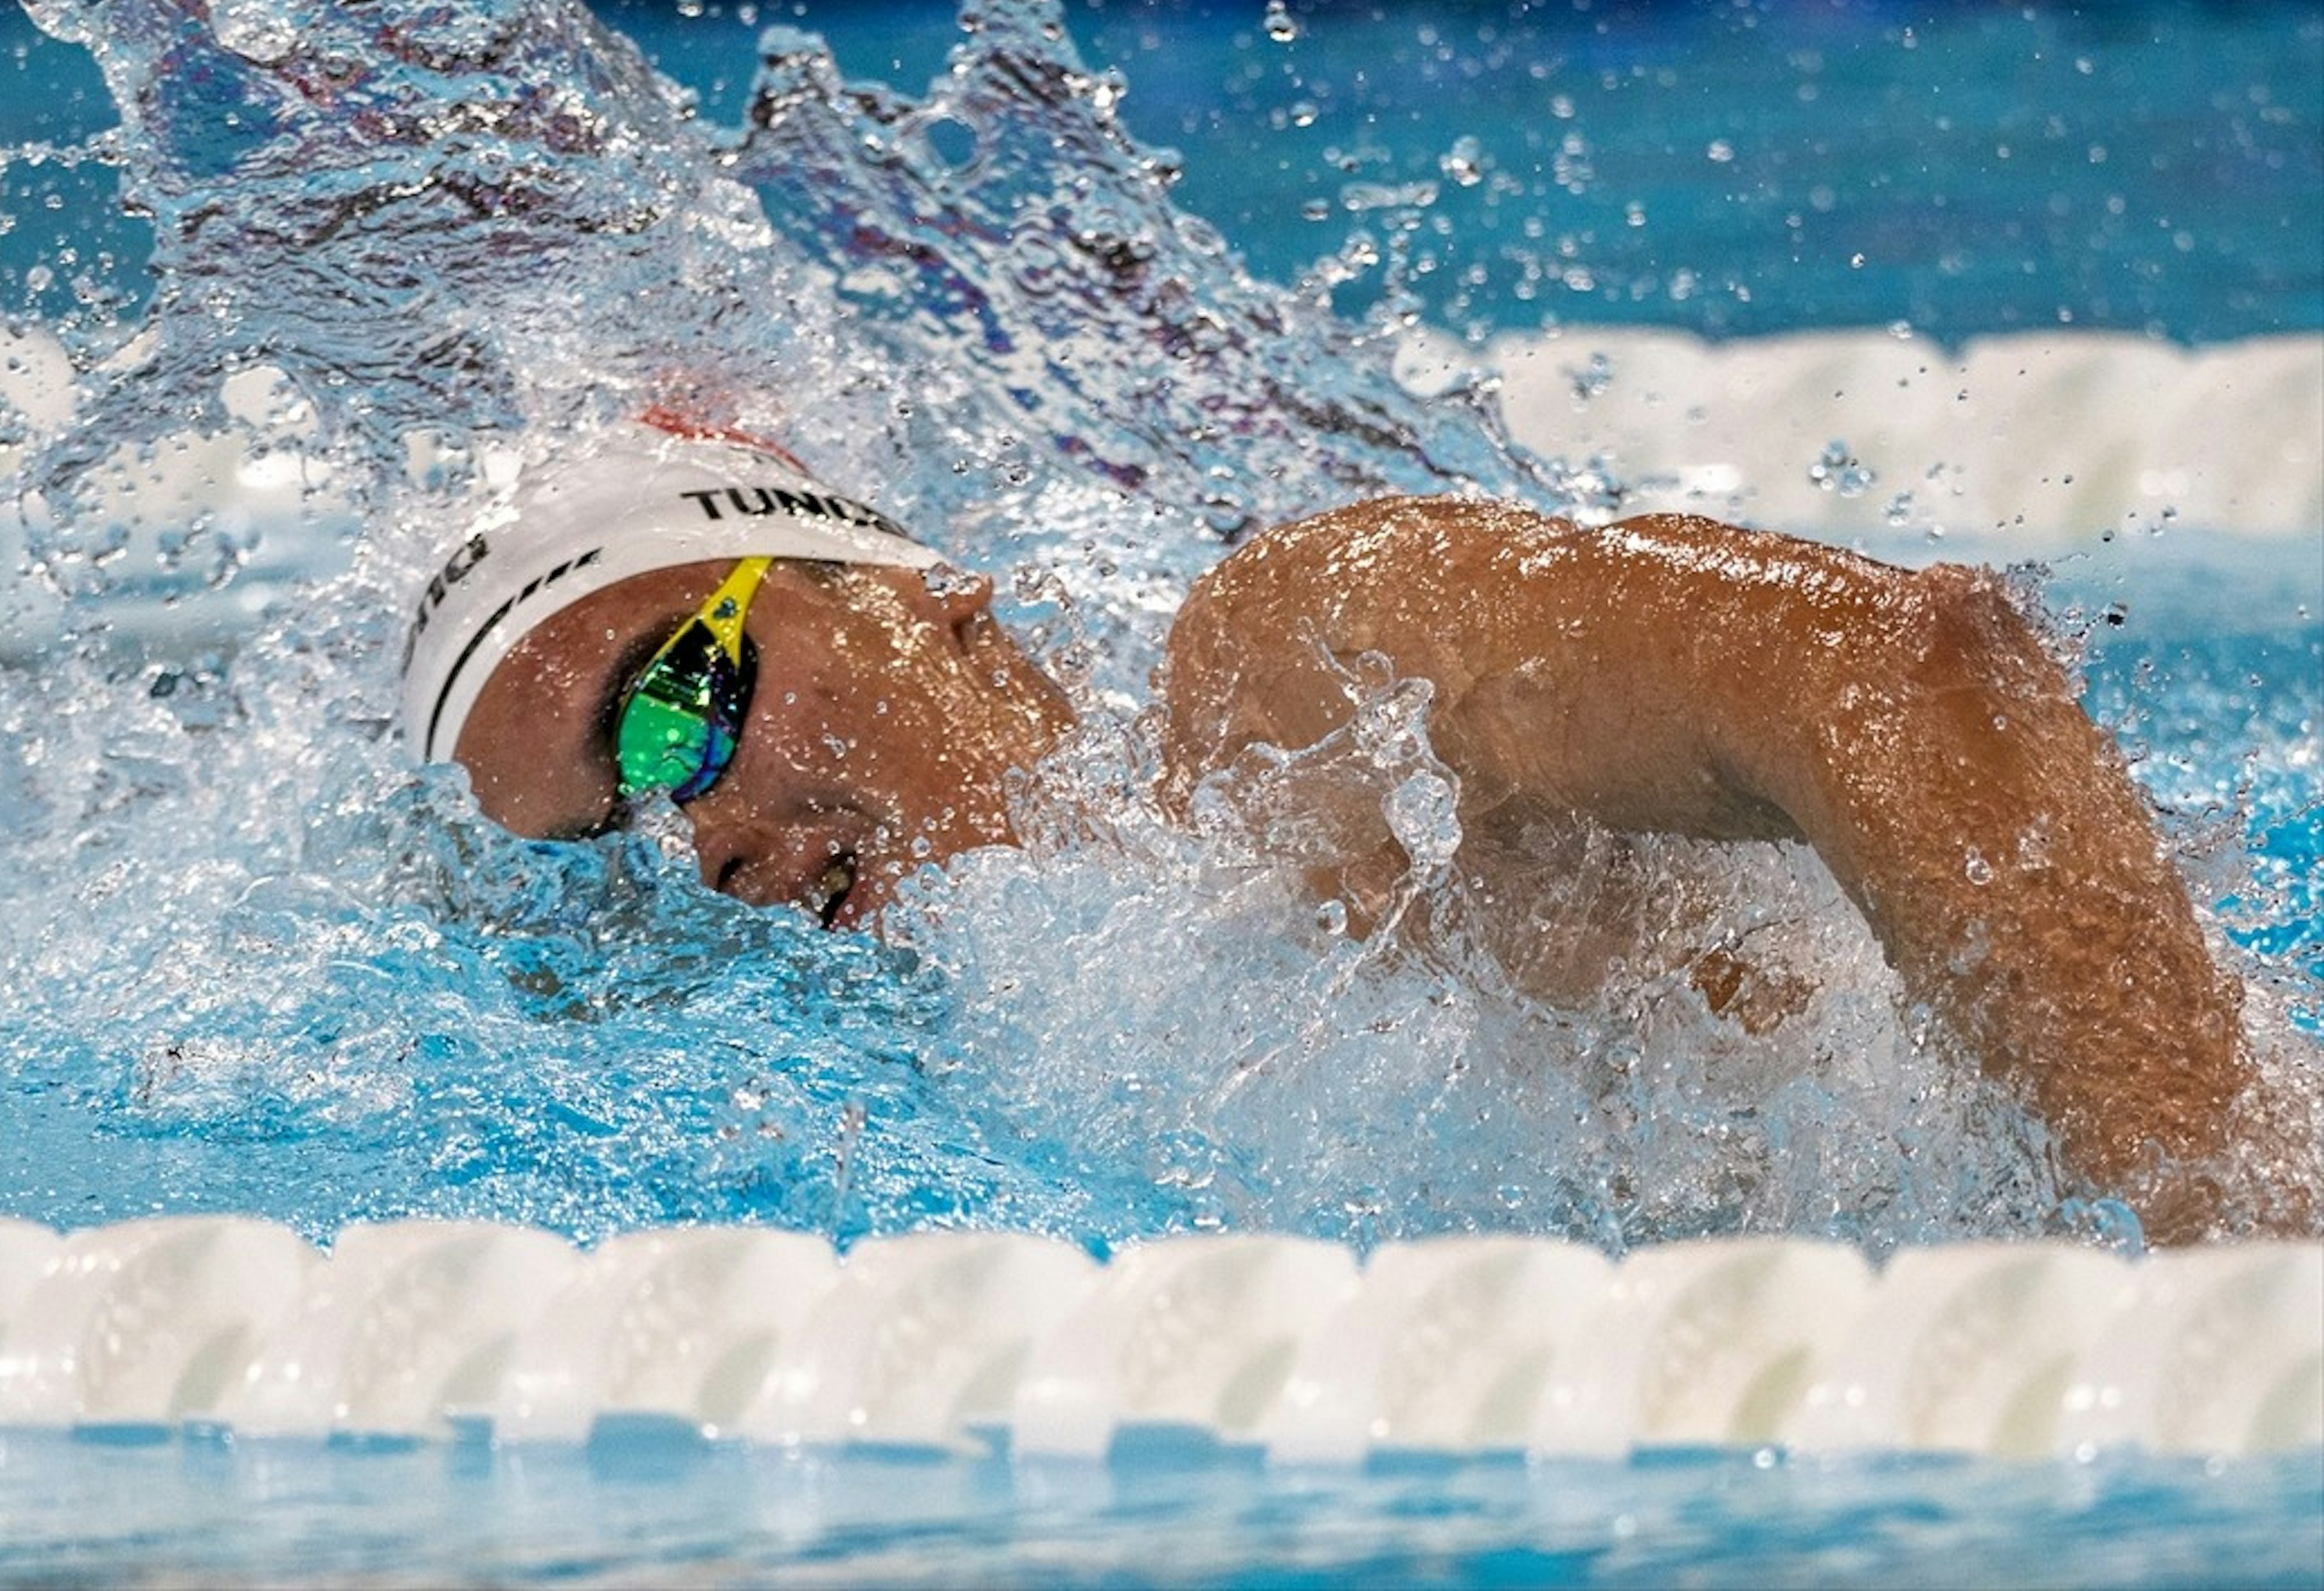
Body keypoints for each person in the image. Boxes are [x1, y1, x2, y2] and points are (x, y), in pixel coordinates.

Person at [402, 416, 2308, 1244]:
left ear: (913, 588)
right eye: (620, 829)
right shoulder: (1046, 1096)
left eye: (683, 699)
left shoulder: (1291, 680)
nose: (703, 842)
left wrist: (2244, 1249)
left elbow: (1905, 668)